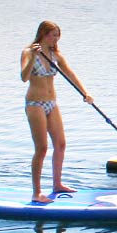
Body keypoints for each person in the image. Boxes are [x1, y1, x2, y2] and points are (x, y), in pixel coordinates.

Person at [22, 20, 95, 203]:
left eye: (57, 35)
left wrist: (85, 93)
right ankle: (36, 193)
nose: (56, 38)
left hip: (51, 103)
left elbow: (70, 74)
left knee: (61, 144)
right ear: (43, 35)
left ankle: (57, 184)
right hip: (35, 104)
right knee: (42, 148)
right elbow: (23, 77)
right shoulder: (28, 52)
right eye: (53, 35)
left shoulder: (56, 56)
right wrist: (33, 58)